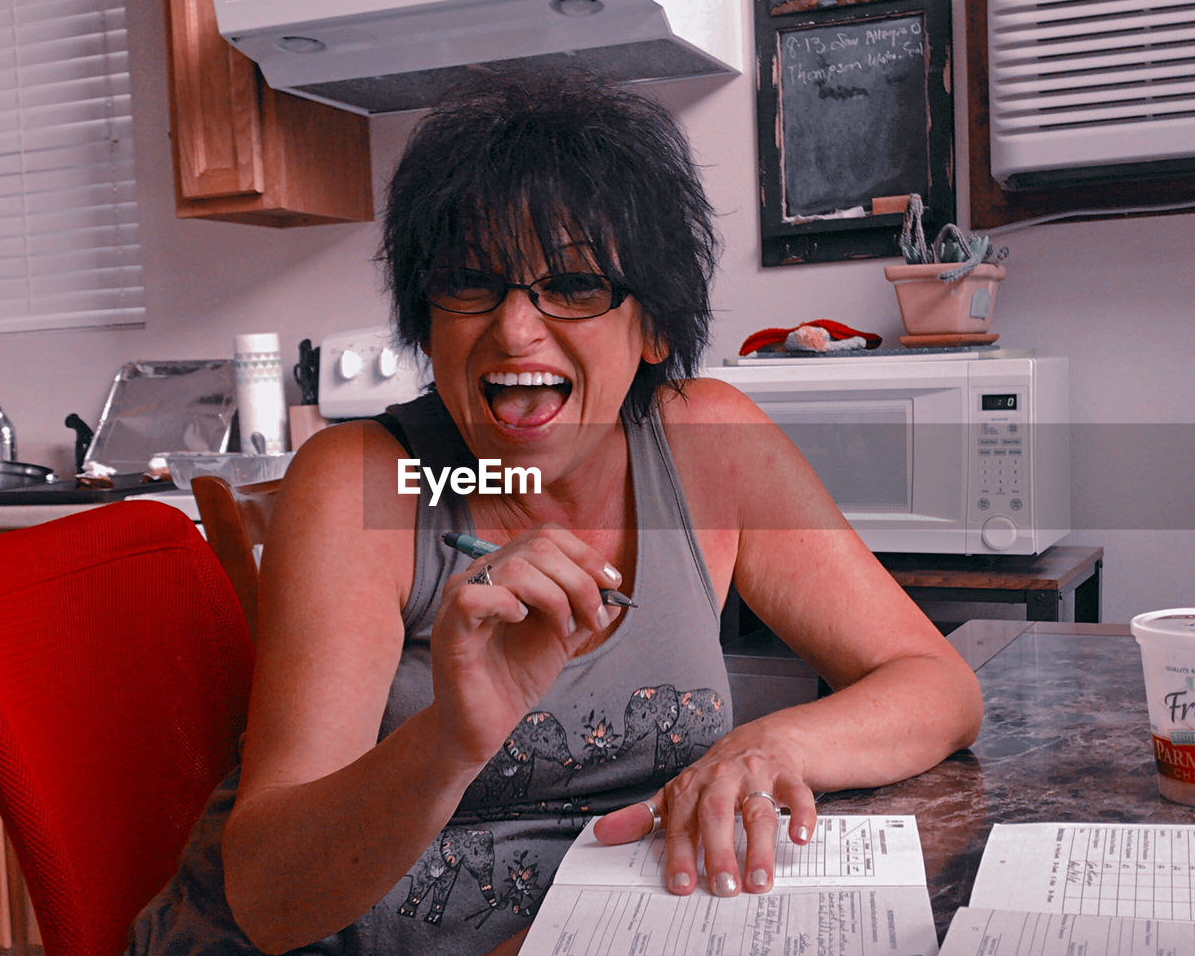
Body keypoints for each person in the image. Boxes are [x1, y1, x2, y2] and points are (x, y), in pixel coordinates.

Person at [127, 70, 982, 956]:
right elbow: (272, 901)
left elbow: (938, 687)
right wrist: (454, 738)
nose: (515, 330)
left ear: (654, 327)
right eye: (472, 284)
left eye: (573, 285)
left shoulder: (706, 444)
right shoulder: (367, 486)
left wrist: (761, 750)